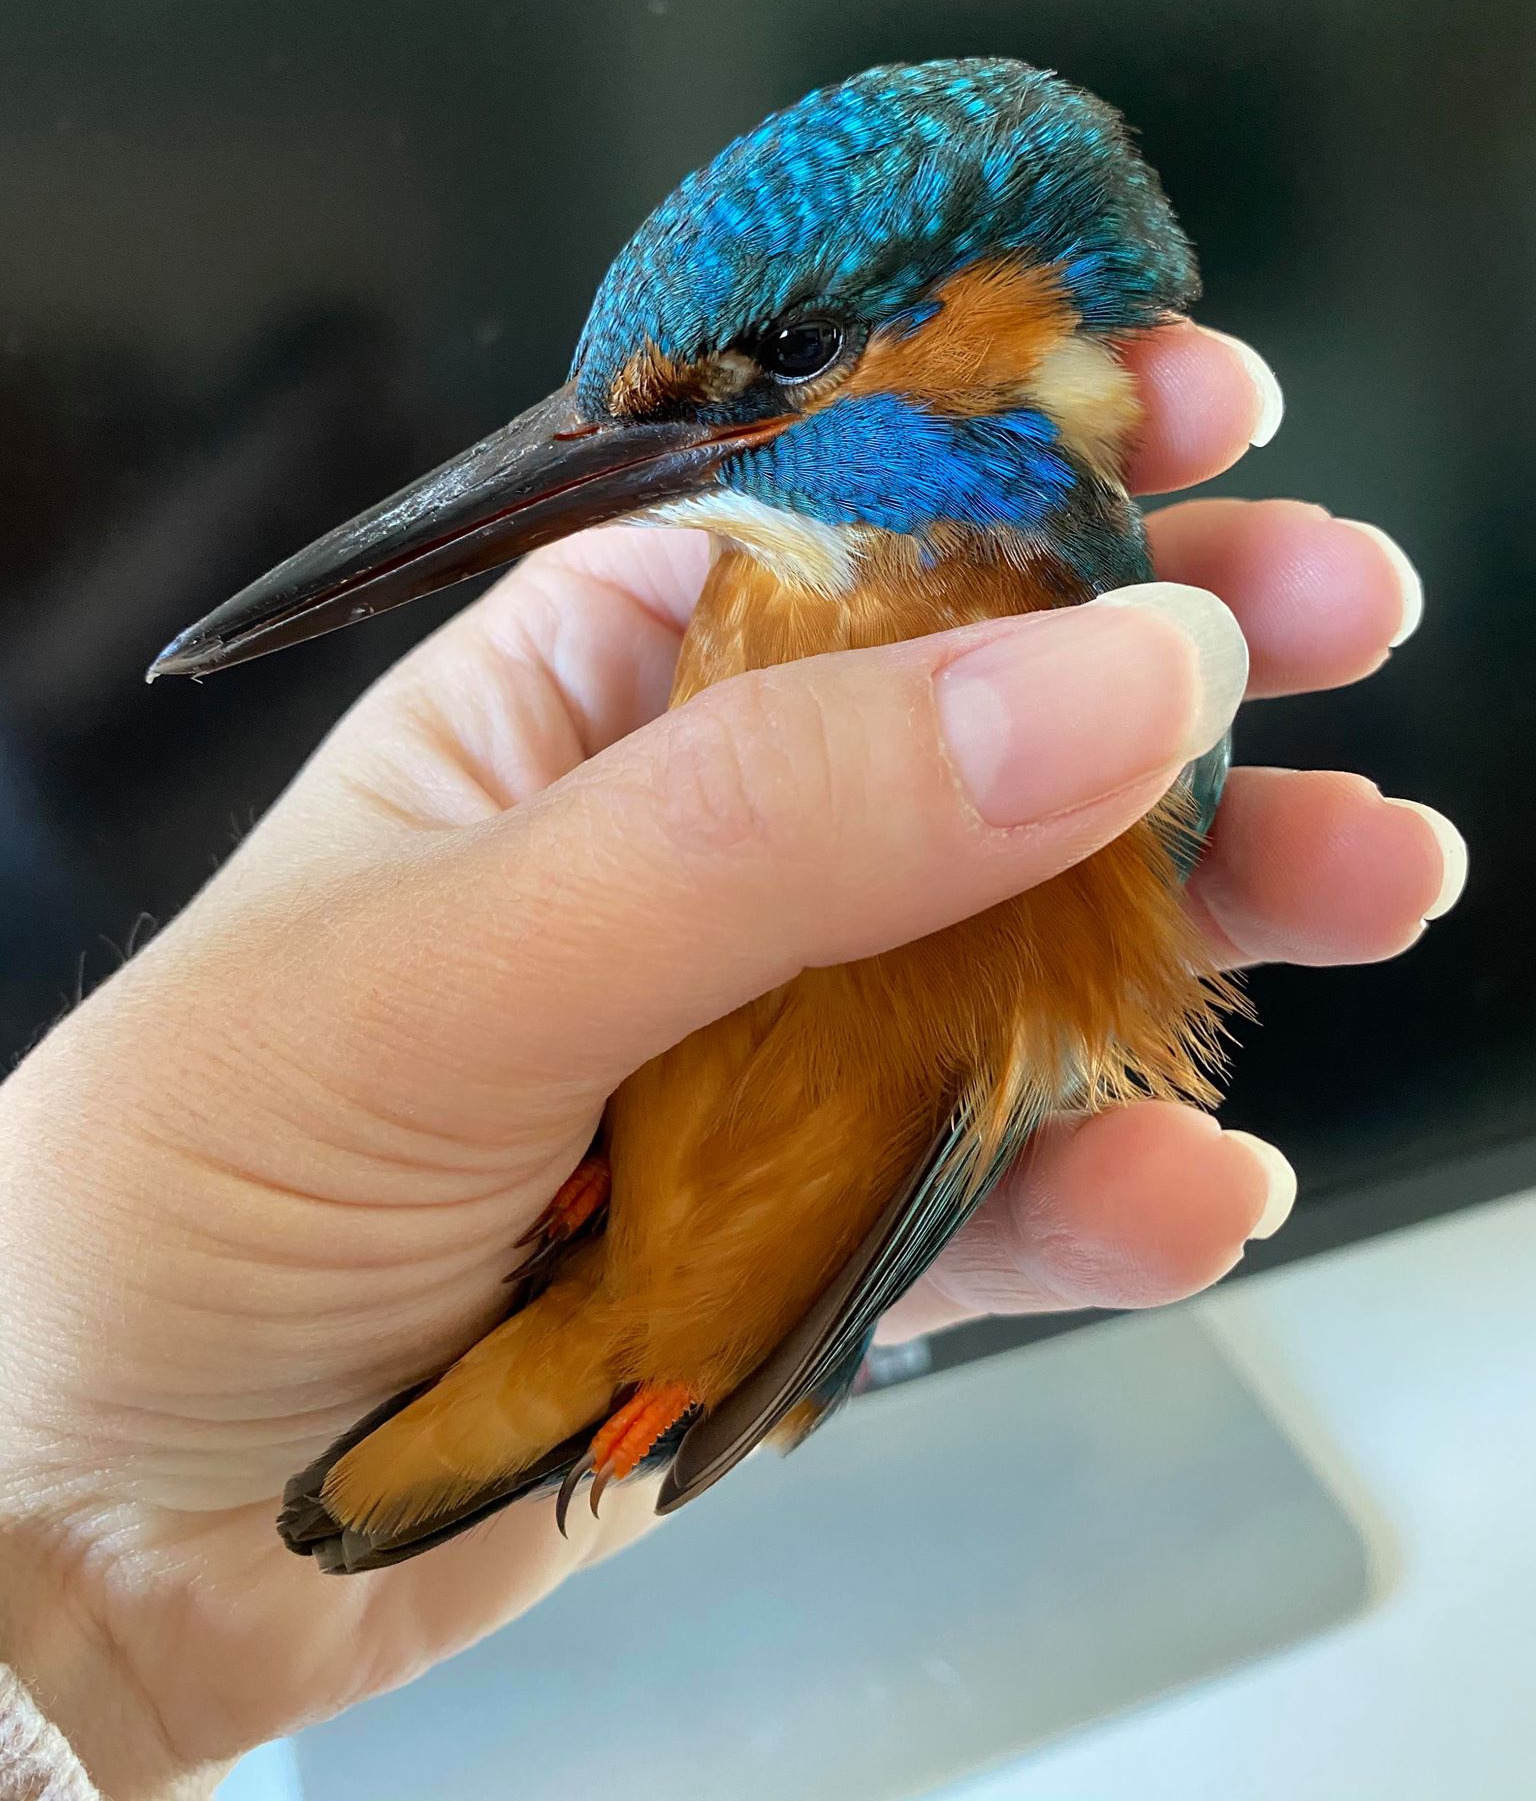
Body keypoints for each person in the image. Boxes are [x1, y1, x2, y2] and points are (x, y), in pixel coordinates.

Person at [0, 324, 1464, 1800]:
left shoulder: (1076, 615)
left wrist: (90, 1613)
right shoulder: (747, 570)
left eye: (796, 353)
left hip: (742, 1264)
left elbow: (971, 1096)